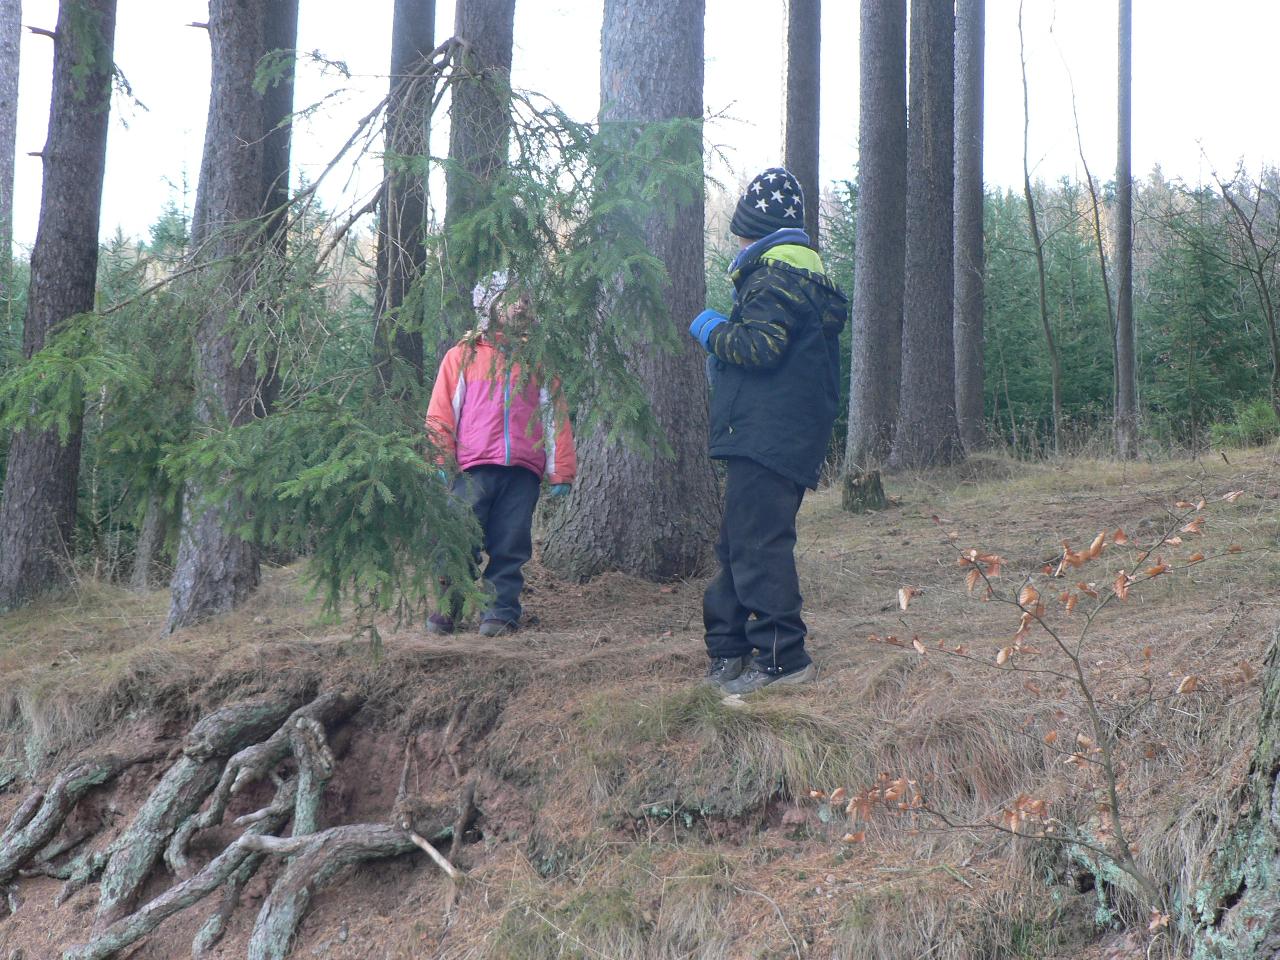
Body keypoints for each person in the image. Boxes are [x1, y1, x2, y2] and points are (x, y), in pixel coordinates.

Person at [687, 167, 849, 694]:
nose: (737, 243)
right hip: (776, 434)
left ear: (754, 232)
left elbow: (759, 347)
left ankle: (783, 659)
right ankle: (729, 650)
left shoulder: (774, 277)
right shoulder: (799, 277)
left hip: (766, 435)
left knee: (758, 545)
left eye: (741, 234)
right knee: (738, 545)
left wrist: (712, 329)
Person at [425, 270, 577, 637]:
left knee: (511, 544)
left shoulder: (538, 361)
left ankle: (500, 611)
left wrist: (561, 469)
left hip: (522, 471)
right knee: (461, 538)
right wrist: (441, 456)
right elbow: (442, 411)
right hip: (472, 468)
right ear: (491, 305)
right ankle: (449, 606)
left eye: (527, 299)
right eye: (512, 298)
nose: (521, 306)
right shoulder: (463, 355)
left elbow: (555, 417)